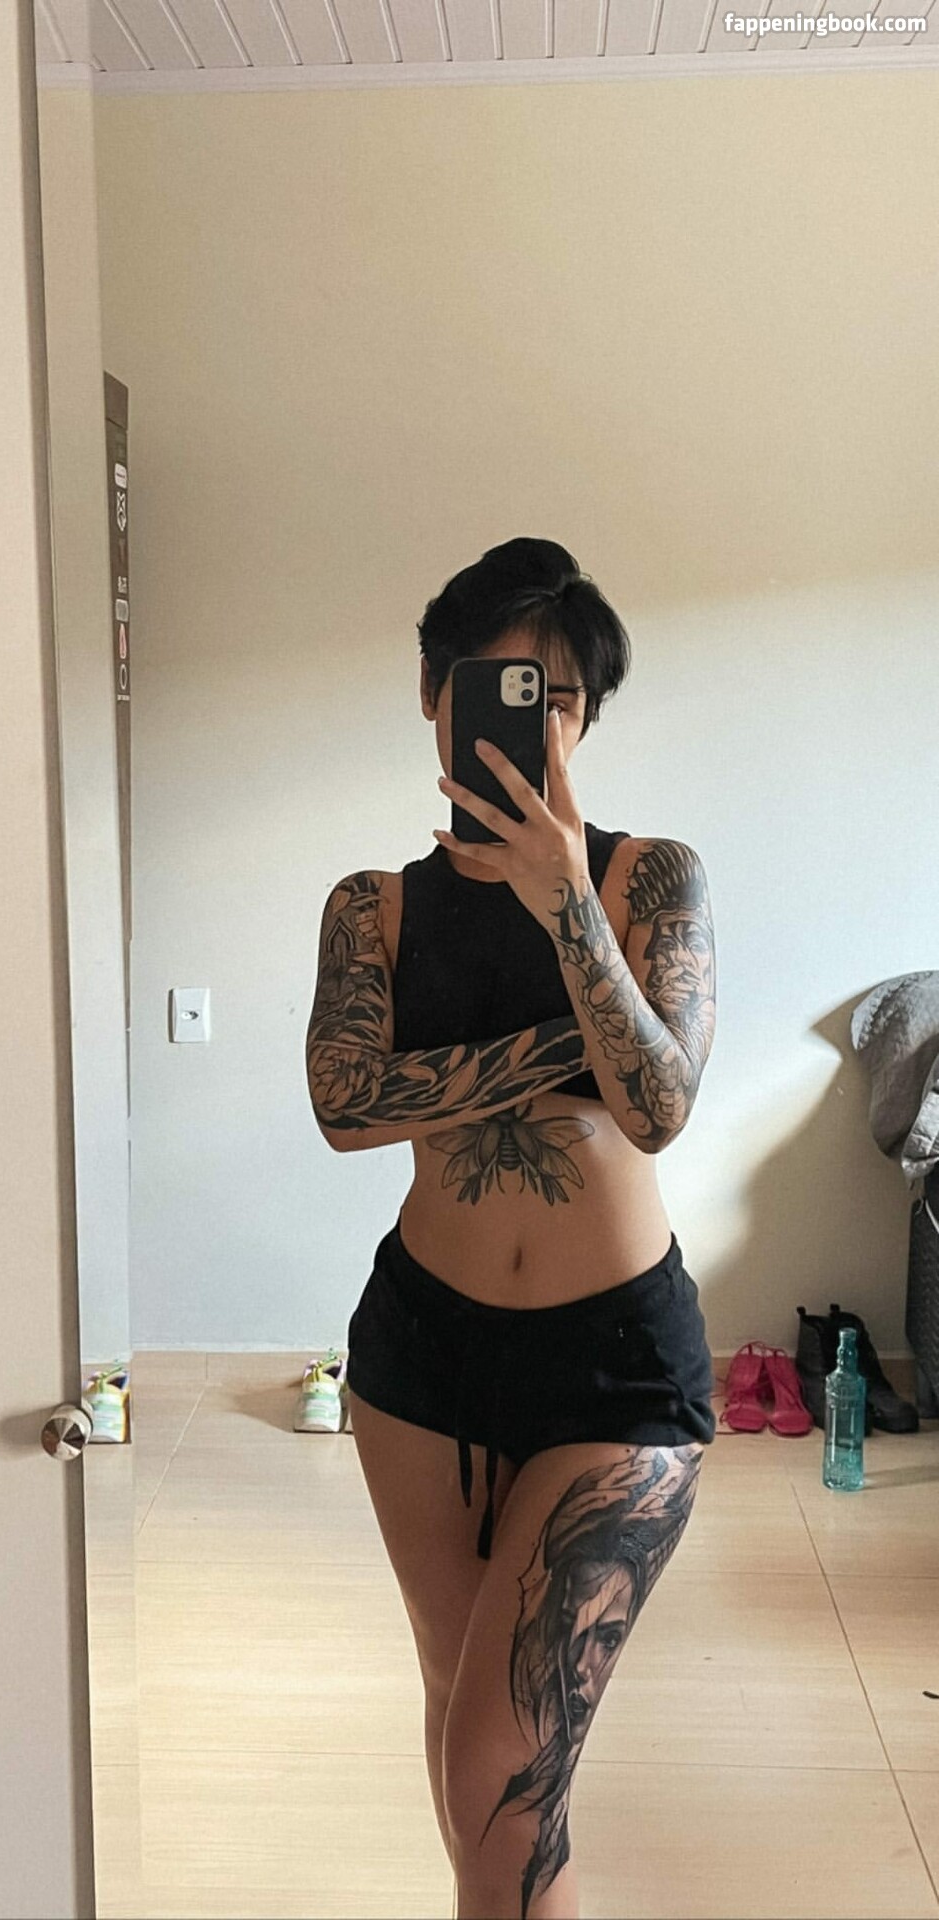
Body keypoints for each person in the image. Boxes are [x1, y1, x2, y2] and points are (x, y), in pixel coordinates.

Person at [305, 538, 717, 1920]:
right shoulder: (372, 907)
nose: (528, 722)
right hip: (422, 1355)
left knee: (506, 1760)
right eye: (492, 685)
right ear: (435, 695)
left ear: (586, 717)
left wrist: (564, 901)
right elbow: (347, 1106)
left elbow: (657, 1104)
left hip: (619, 1369)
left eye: (557, 698)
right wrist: (565, 1054)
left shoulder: (652, 881)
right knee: (459, 1708)